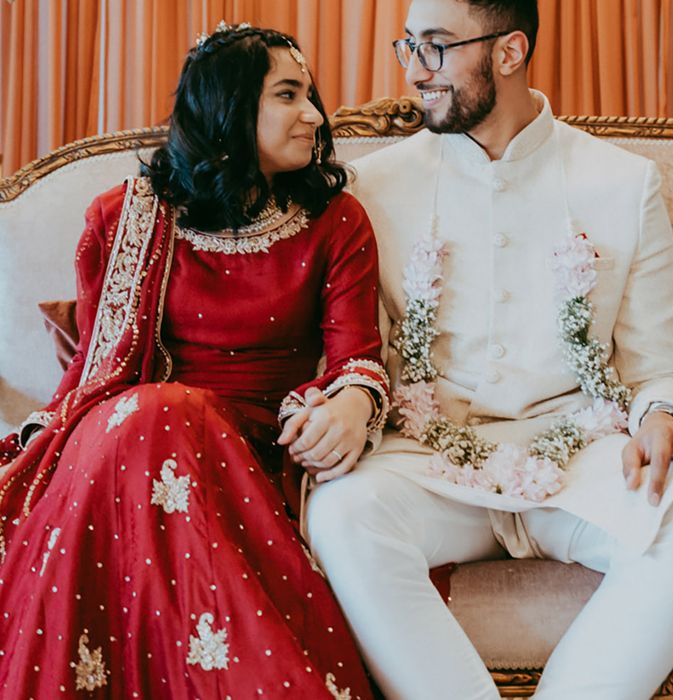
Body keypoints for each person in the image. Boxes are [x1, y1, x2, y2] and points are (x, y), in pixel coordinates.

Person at [300, 1, 673, 699]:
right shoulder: (372, 186)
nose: (416, 72)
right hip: (428, 464)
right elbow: (361, 347)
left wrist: (666, 417)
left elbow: (658, 363)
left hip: (581, 457)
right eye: (409, 47)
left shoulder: (624, 182)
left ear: (509, 52)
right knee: (340, 513)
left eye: (438, 47)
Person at [0, 23, 387, 699]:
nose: (316, 117)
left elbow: (358, 358)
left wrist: (351, 404)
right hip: (124, 442)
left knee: (164, 413)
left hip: (252, 452)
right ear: (228, 108)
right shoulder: (122, 218)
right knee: (154, 412)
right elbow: (97, 371)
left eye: (312, 96)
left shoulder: (336, 220)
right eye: (289, 95)